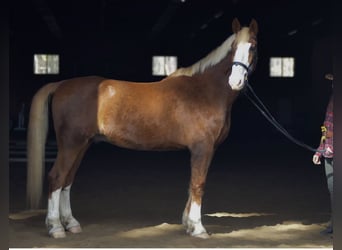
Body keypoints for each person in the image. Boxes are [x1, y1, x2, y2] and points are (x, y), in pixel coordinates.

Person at [312, 73, 333, 235]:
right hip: (328, 154)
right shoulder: (331, 102)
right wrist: (319, 150)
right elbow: (325, 128)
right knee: (333, 190)